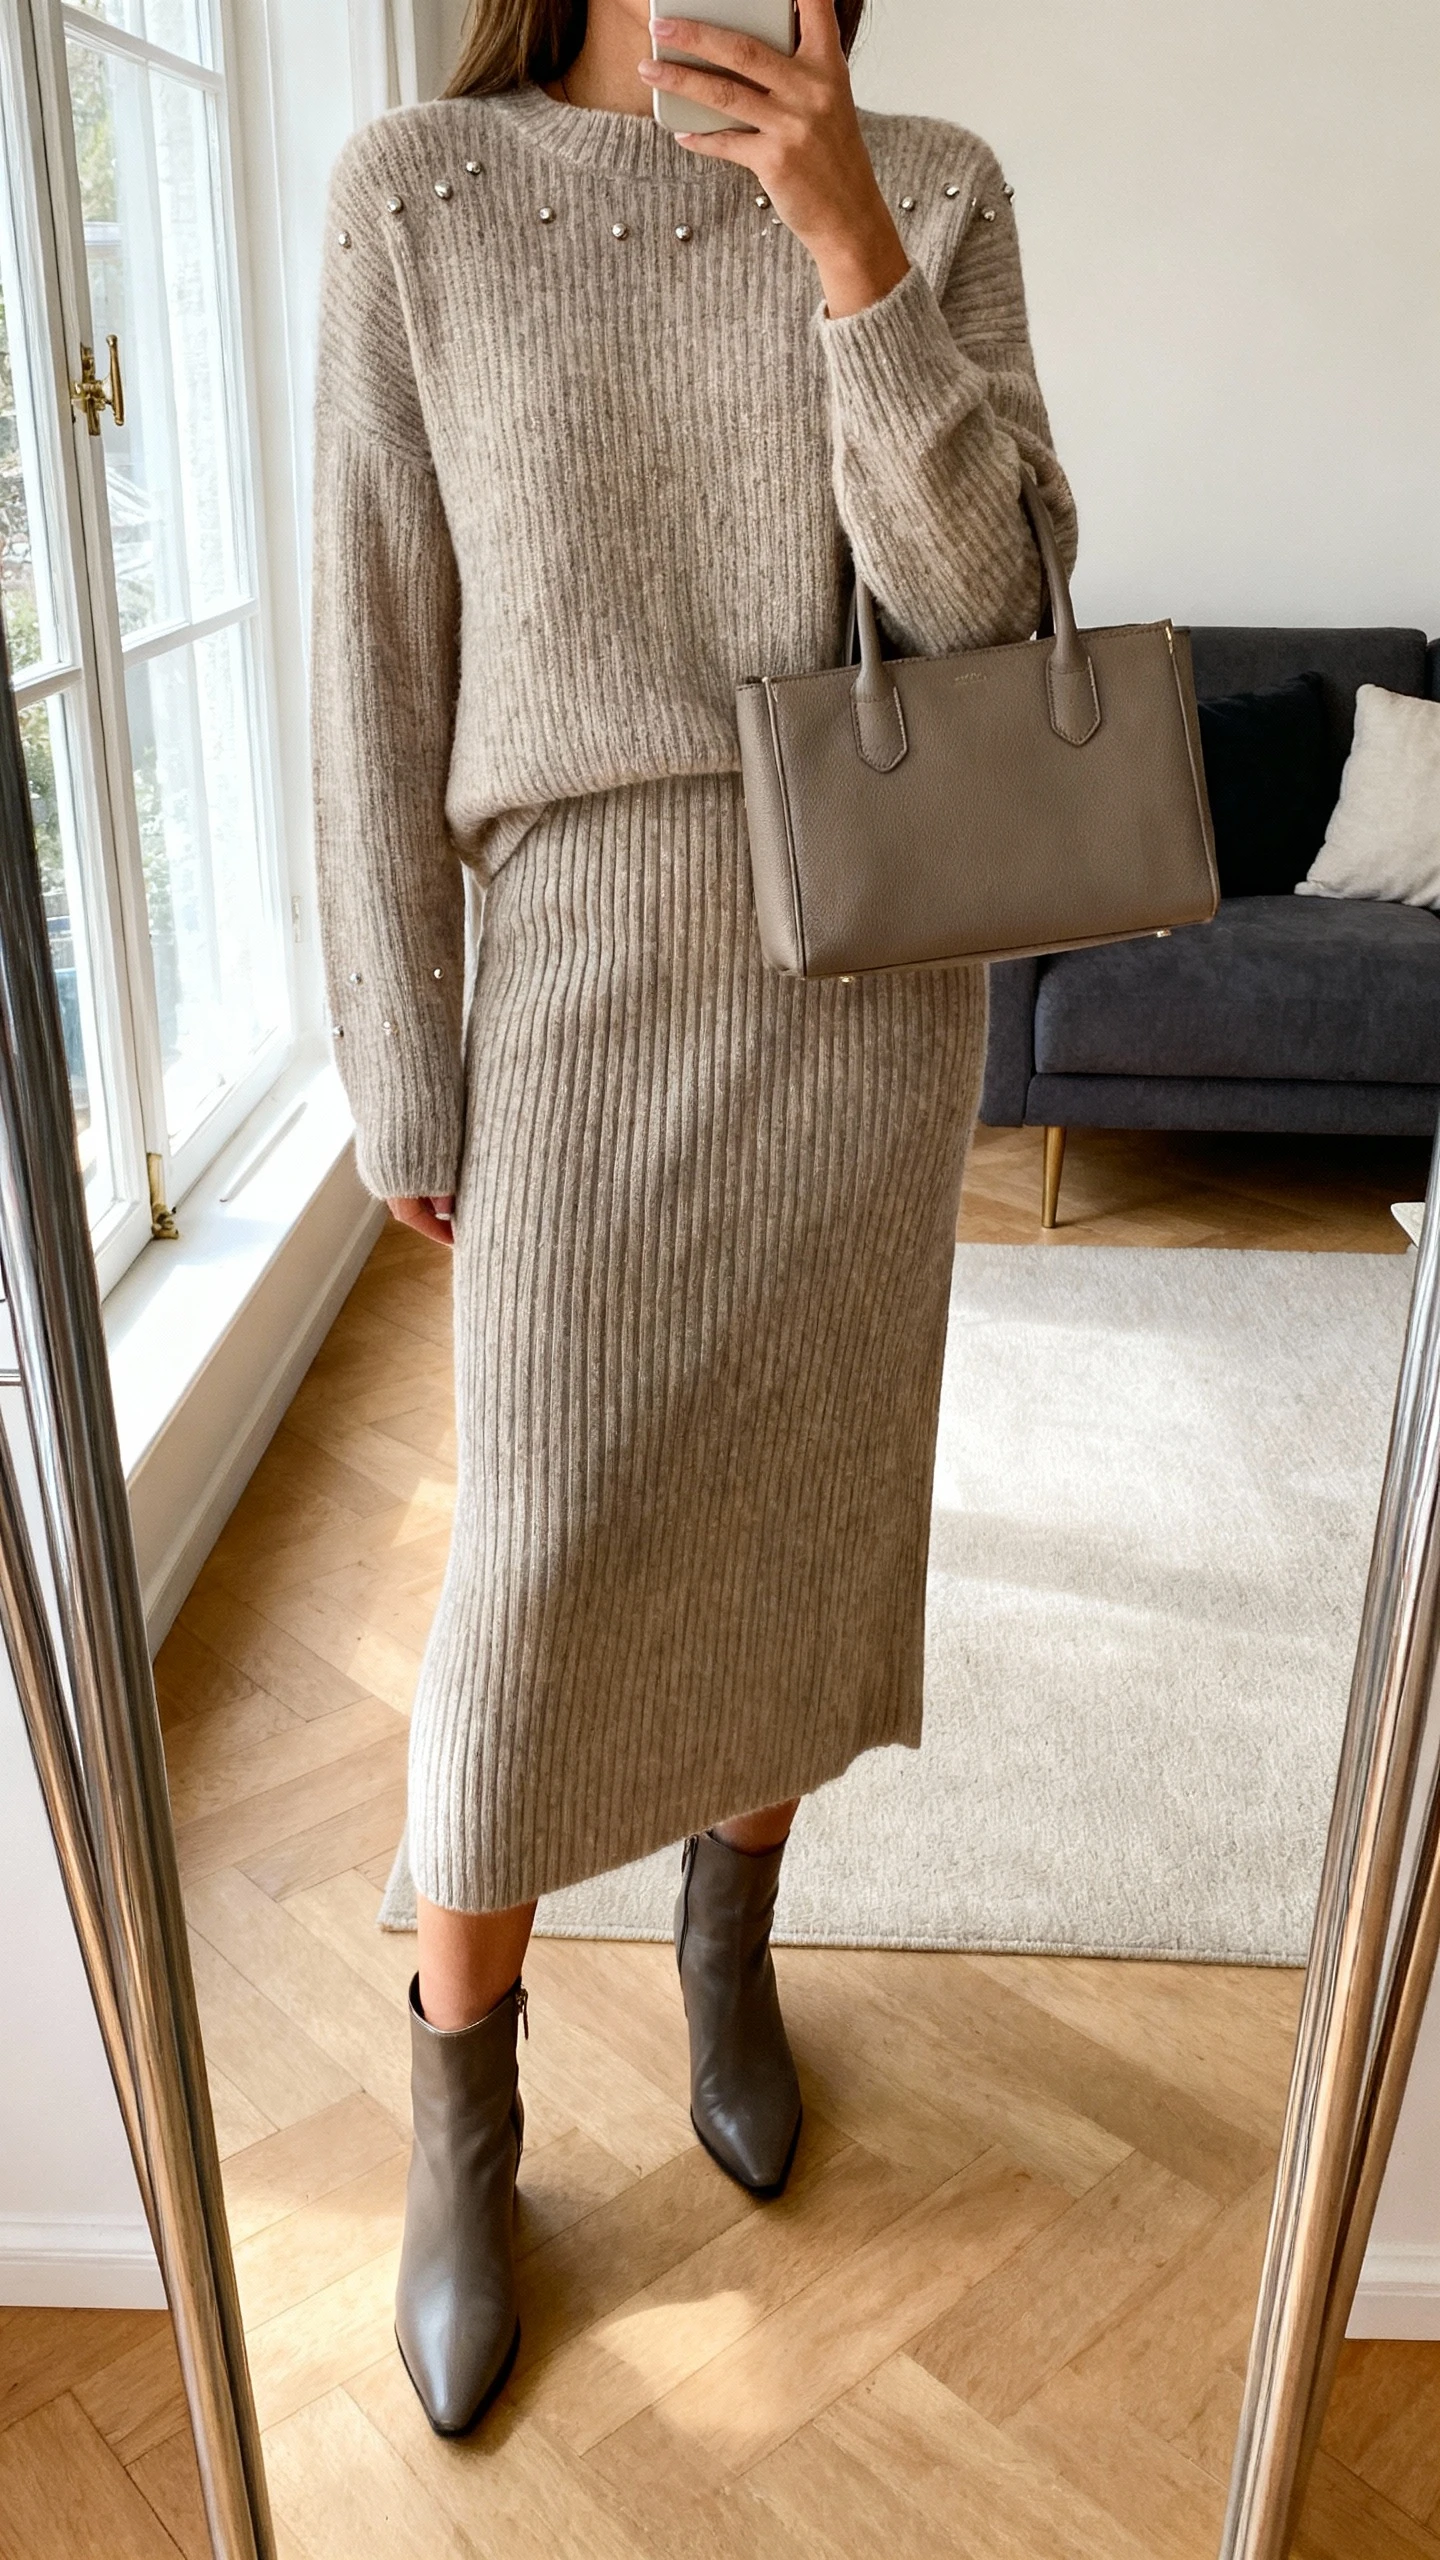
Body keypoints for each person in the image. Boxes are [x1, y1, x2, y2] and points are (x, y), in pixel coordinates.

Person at [309, 0, 1075, 2437]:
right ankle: (467, 2101)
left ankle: (732, 1951)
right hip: (579, 981)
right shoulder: (417, 194)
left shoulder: (932, 178)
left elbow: (1007, 618)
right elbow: (366, 655)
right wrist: (396, 1052)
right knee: (533, 1569)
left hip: (858, 995)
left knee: (804, 1520)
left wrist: (844, 238)